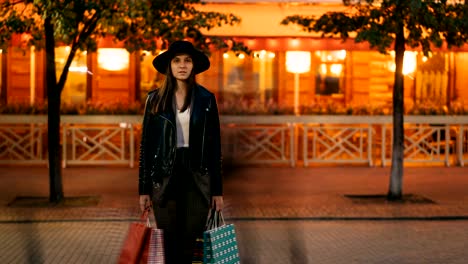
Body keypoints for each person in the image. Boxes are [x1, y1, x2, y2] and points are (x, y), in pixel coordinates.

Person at [138, 40, 223, 264]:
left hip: (197, 175)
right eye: (176, 61)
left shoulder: (206, 99)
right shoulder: (154, 100)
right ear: (170, 66)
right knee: (168, 244)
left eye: (187, 60)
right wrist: (143, 190)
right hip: (165, 176)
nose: (182, 65)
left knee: (191, 244)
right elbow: (146, 147)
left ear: (193, 66)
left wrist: (217, 191)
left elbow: (215, 147)